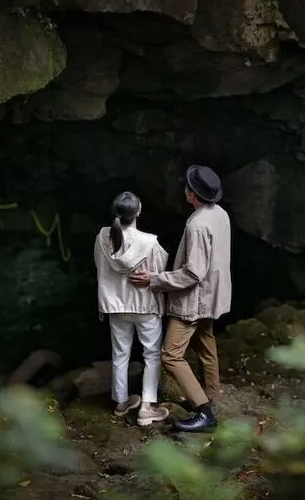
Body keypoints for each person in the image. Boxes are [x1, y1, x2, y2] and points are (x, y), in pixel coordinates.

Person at [130, 165, 231, 433]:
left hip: (194, 301)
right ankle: (212, 394)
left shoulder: (197, 224)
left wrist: (155, 280)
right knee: (205, 344)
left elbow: (193, 273)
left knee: (170, 355)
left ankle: (203, 412)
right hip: (213, 295)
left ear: (192, 194)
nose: (184, 189)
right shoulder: (220, 214)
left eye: (187, 187)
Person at [94, 191, 170, 426]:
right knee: (151, 355)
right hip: (144, 305)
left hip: (116, 305)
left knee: (120, 354)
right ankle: (147, 406)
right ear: (138, 212)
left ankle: (121, 402)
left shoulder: (102, 237)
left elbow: (100, 266)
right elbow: (158, 273)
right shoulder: (149, 242)